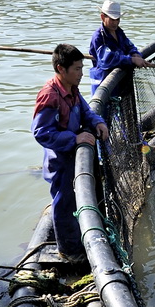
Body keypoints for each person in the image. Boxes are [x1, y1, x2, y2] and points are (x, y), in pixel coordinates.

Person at [32, 43, 109, 263]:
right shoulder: (50, 96)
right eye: (76, 69)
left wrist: (98, 122)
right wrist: (73, 139)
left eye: (82, 68)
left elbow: (85, 111)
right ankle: (68, 251)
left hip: (74, 155)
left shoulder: (71, 88)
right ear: (60, 68)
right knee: (64, 203)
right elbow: (41, 133)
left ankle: (84, 238)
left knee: (80, 198)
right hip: (61, 161)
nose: (81, 74)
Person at [86, 0, 148, 94]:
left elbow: (129, 45)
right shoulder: (98, 37)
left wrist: (135, 54)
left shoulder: (119, 32)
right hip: (104, 84)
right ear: (103, 17)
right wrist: (131, 60)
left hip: (122, 83)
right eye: (112, 19)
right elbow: (107, 60)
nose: (115, 23)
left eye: (117, 19)